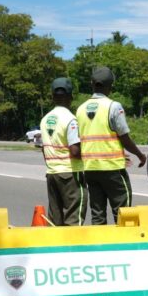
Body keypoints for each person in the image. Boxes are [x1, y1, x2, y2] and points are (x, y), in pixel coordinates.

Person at [76, 66, 146, 225]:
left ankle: (100, 248)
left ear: (92, 84)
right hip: (112, 169)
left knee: (98, 214)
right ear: (111, 86)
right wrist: (140, 155)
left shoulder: (80, 109)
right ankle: (122, 248)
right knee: (123, 213)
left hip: (90, 169)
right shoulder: (113, 106)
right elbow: (125, 138)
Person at [39, 77, 87, 226]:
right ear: (71, 96)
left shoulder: (45, 119)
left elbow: (43, 148)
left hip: (52, 174)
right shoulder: (70, 119)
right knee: (74, 217)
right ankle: (73, 248)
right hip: (70, 173)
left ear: (53, 97)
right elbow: (74, 150)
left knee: (55, 220)